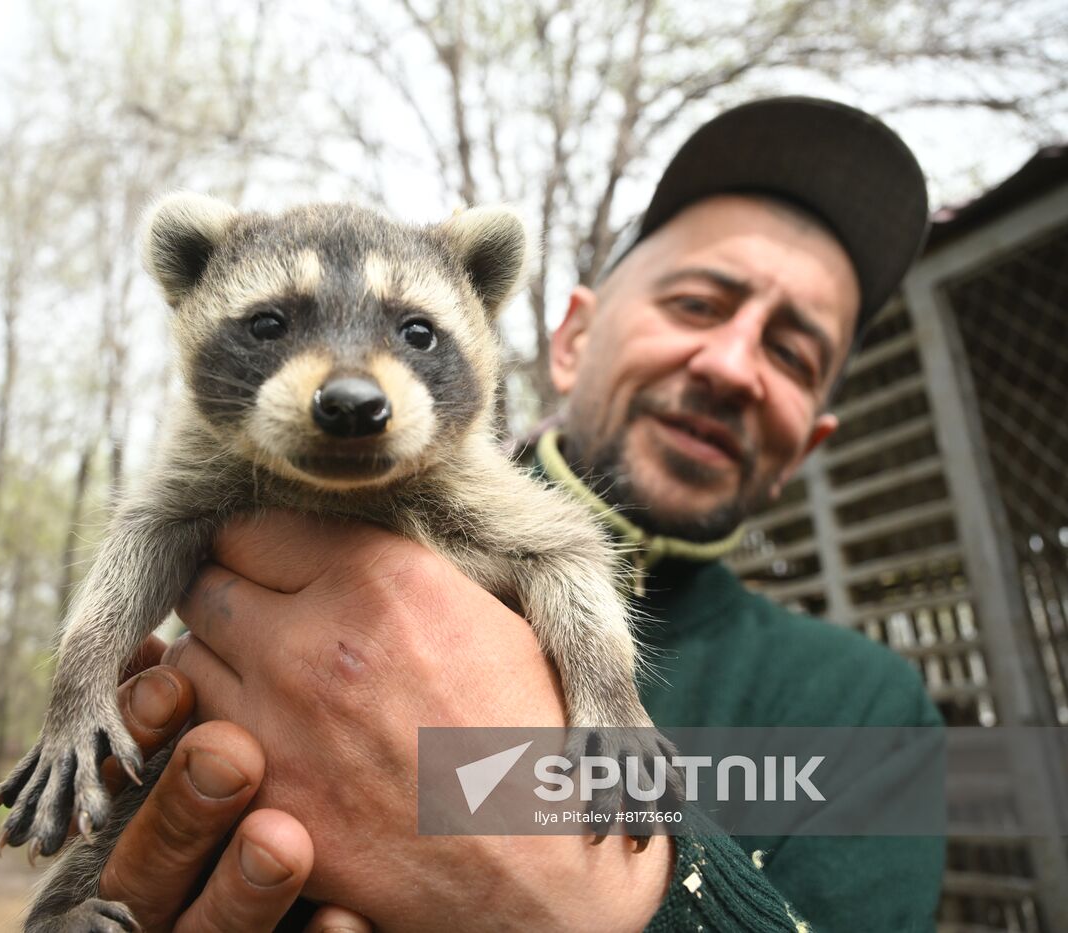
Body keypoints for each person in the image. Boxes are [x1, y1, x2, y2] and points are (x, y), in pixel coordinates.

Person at [63, 97, 943, 931]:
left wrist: (613, 901)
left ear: (816, 438)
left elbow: (560, 557)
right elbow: (149, 538)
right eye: (696, 304)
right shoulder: (208, 481)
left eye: (792, 351)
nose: (730, 365)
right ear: (570, 339)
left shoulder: (871, 714)